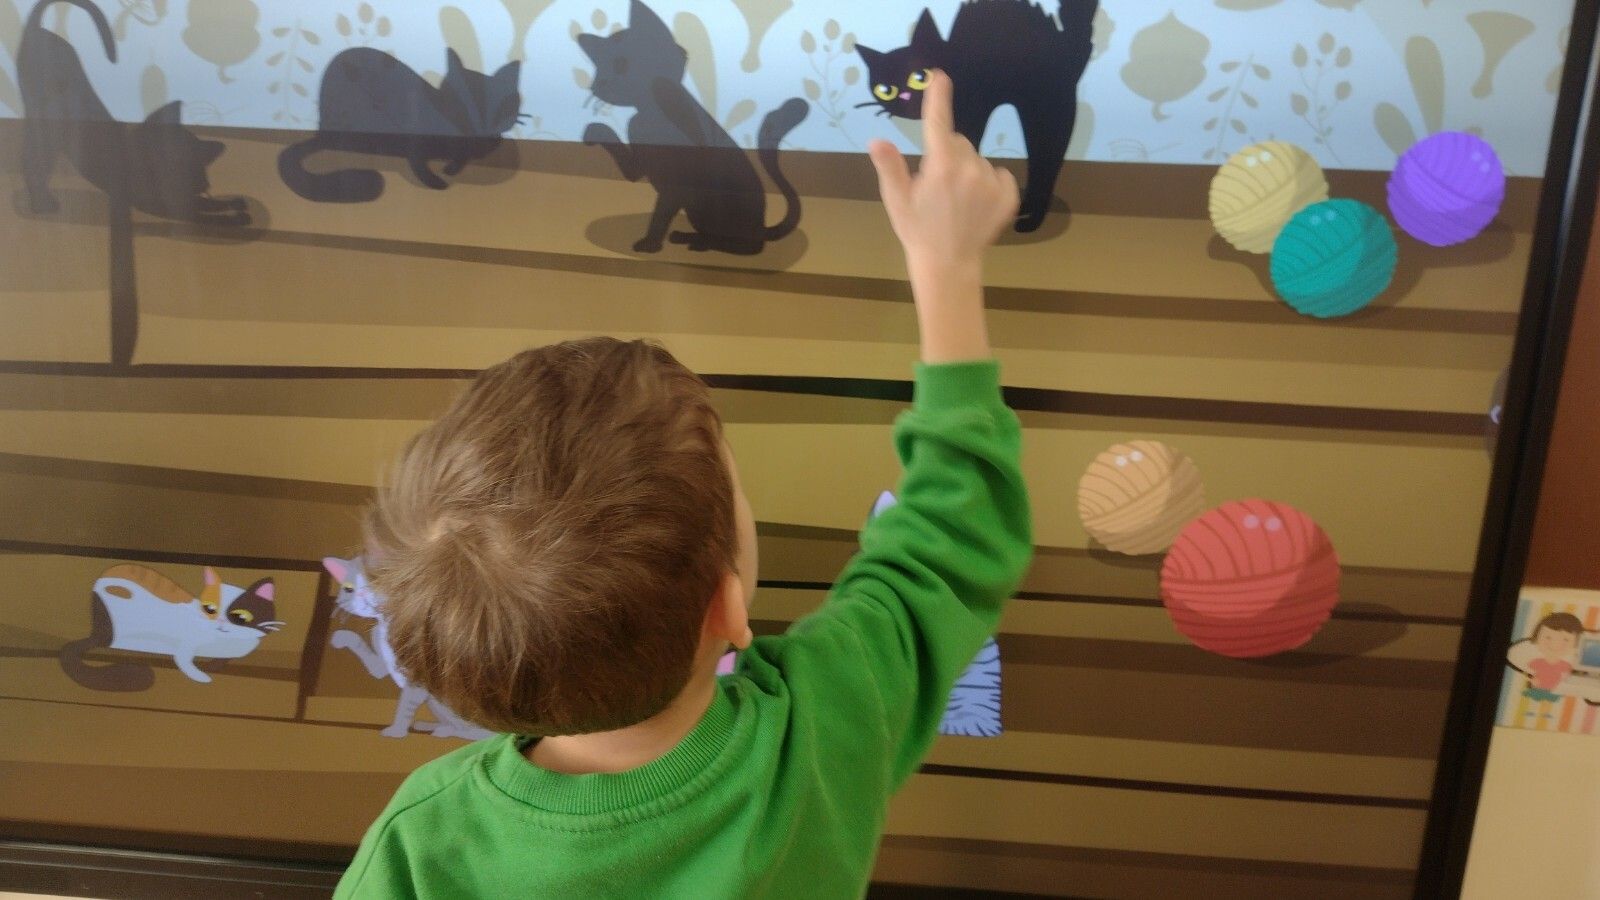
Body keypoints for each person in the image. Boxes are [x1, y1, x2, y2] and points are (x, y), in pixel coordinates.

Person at [335, 70, 1032, 899]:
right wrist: (946, 267)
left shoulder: (428, 838)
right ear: (725, 606)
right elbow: (951, 539)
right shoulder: (820, 726)